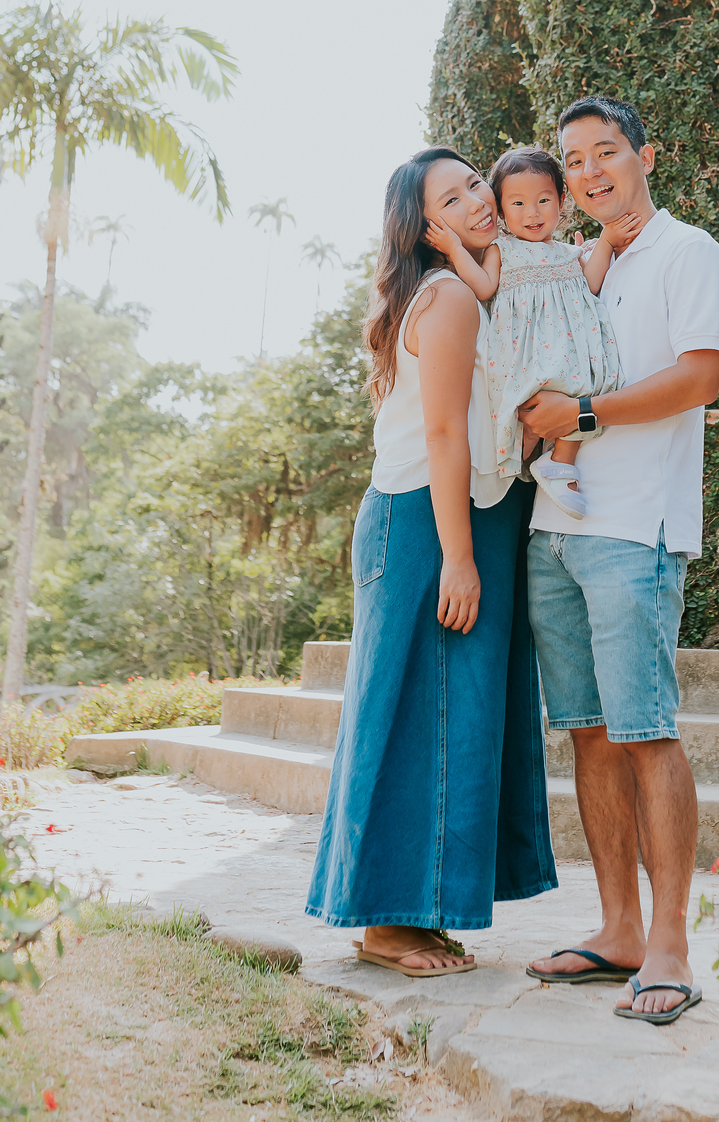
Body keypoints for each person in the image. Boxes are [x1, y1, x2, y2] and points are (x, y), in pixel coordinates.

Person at [305, 147, 556, 973]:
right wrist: (459, 558)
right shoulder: (448, 297)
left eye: (476, 183)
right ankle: (387, 924)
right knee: (416, 712)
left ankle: (417, 910)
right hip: (428, 526)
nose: (481, 200)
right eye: (455, 197)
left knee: (449, 714)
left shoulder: (471, 291)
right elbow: (444, 435)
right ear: (426, 226)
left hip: (455, 519)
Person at [518, 97, 719, 1024]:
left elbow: (698, 376)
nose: (592, 170)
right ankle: (615, 930)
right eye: (575, 161)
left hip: (635, 527)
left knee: (644, 729)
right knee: (588, 730)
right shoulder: (573, 264)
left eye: (607, 151)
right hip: (552, 527)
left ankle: (671, 947)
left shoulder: (689, 253)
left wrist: (586, 417)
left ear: (647, 154)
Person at [426, 143, 635, 519]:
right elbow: (484, 286)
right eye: (518, 204)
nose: (533, 213)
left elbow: (589, 283)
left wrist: (605, 240)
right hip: (524, 354)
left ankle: (560, 463)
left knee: (585, 389)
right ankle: (520, 474)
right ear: (502, 209)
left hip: (568, 351)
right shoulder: (501, 250)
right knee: (525, 418)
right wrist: (455, 249)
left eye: (543, 200)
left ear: (561, 201)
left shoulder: (568, 254)